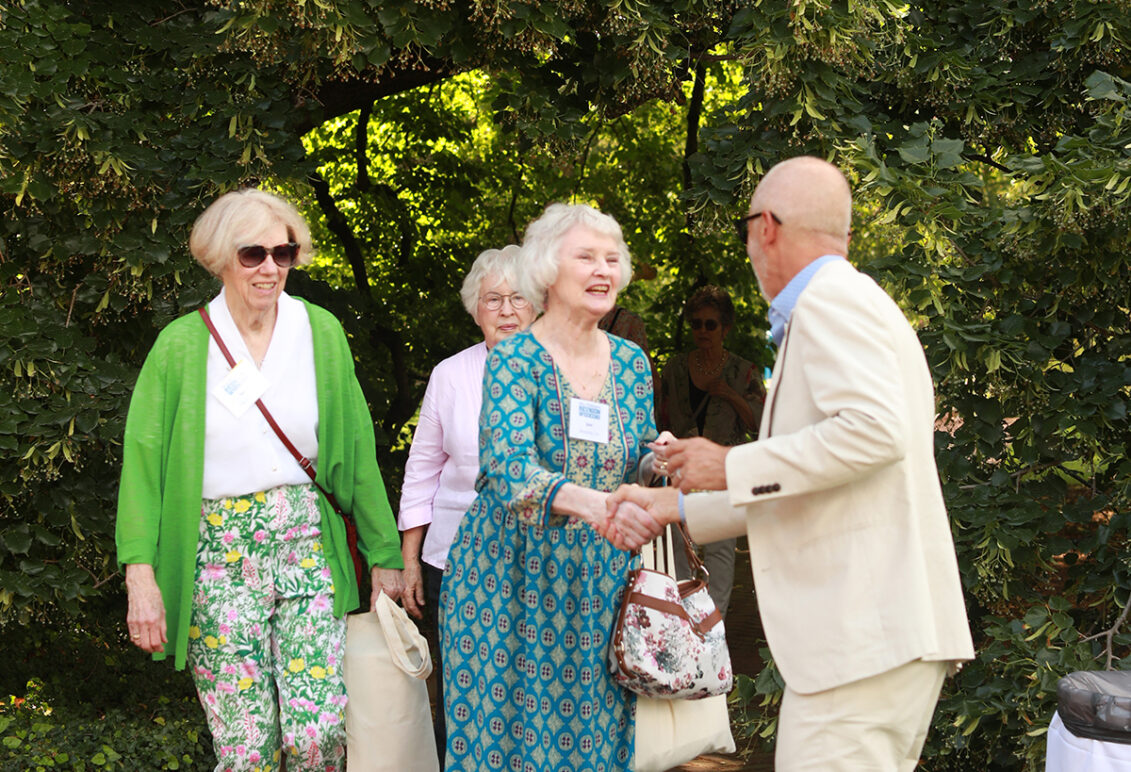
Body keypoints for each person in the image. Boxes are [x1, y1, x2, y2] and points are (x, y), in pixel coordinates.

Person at [601, 157, 975, 771]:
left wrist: (729, 463)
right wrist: (679, 506)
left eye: (747, 230)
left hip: (859, 641)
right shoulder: (852, 300)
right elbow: (823, 478)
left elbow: (872, 433)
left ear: (765, 227)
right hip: (872, 641)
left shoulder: (830, 303)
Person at [116, 189, 404, 772]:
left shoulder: (319, 331)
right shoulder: (180, 346)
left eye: (283, 252)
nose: (270, 267)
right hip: (219, 557)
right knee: (246, 747)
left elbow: (355, 451)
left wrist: (385, 552)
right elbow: (144, 467)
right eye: (253, 254)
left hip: (306, 548)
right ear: (222, 258)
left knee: (319, 734)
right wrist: (140, 576)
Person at [439, 203, 665, 771]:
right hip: (505, 580)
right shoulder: (515, 359)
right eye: (585, 256)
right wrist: (601, 506)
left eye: (612, 259)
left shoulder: (634, 363)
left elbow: (631, 463)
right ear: (547, 271)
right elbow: (509, 470)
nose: (603, 270)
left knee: (593, 738)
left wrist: (657, 464)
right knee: (501, 745)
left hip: (598, 584)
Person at [397, 244, 535, 756]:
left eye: (518, 298)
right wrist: (409, 560)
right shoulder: (450, 375)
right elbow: (422, 471)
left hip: (544, 557)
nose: (505, 310)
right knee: (464, 689)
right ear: (474, 309)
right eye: (492, 299)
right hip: (455, 559)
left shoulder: (565, 371)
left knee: (534, 684)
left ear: (539, 303)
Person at [658, 285, 764, 616]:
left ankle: (713, 624)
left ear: (726, 328)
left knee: (719, 550)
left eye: (710, 324)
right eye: (696, 324)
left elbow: (759, 425)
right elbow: (661, 419)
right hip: (680, 472)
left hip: (724, 473)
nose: (702, 331)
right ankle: (684, 618)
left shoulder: (742, 372)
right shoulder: (675, 369)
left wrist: (731, 395)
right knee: (677, 545)